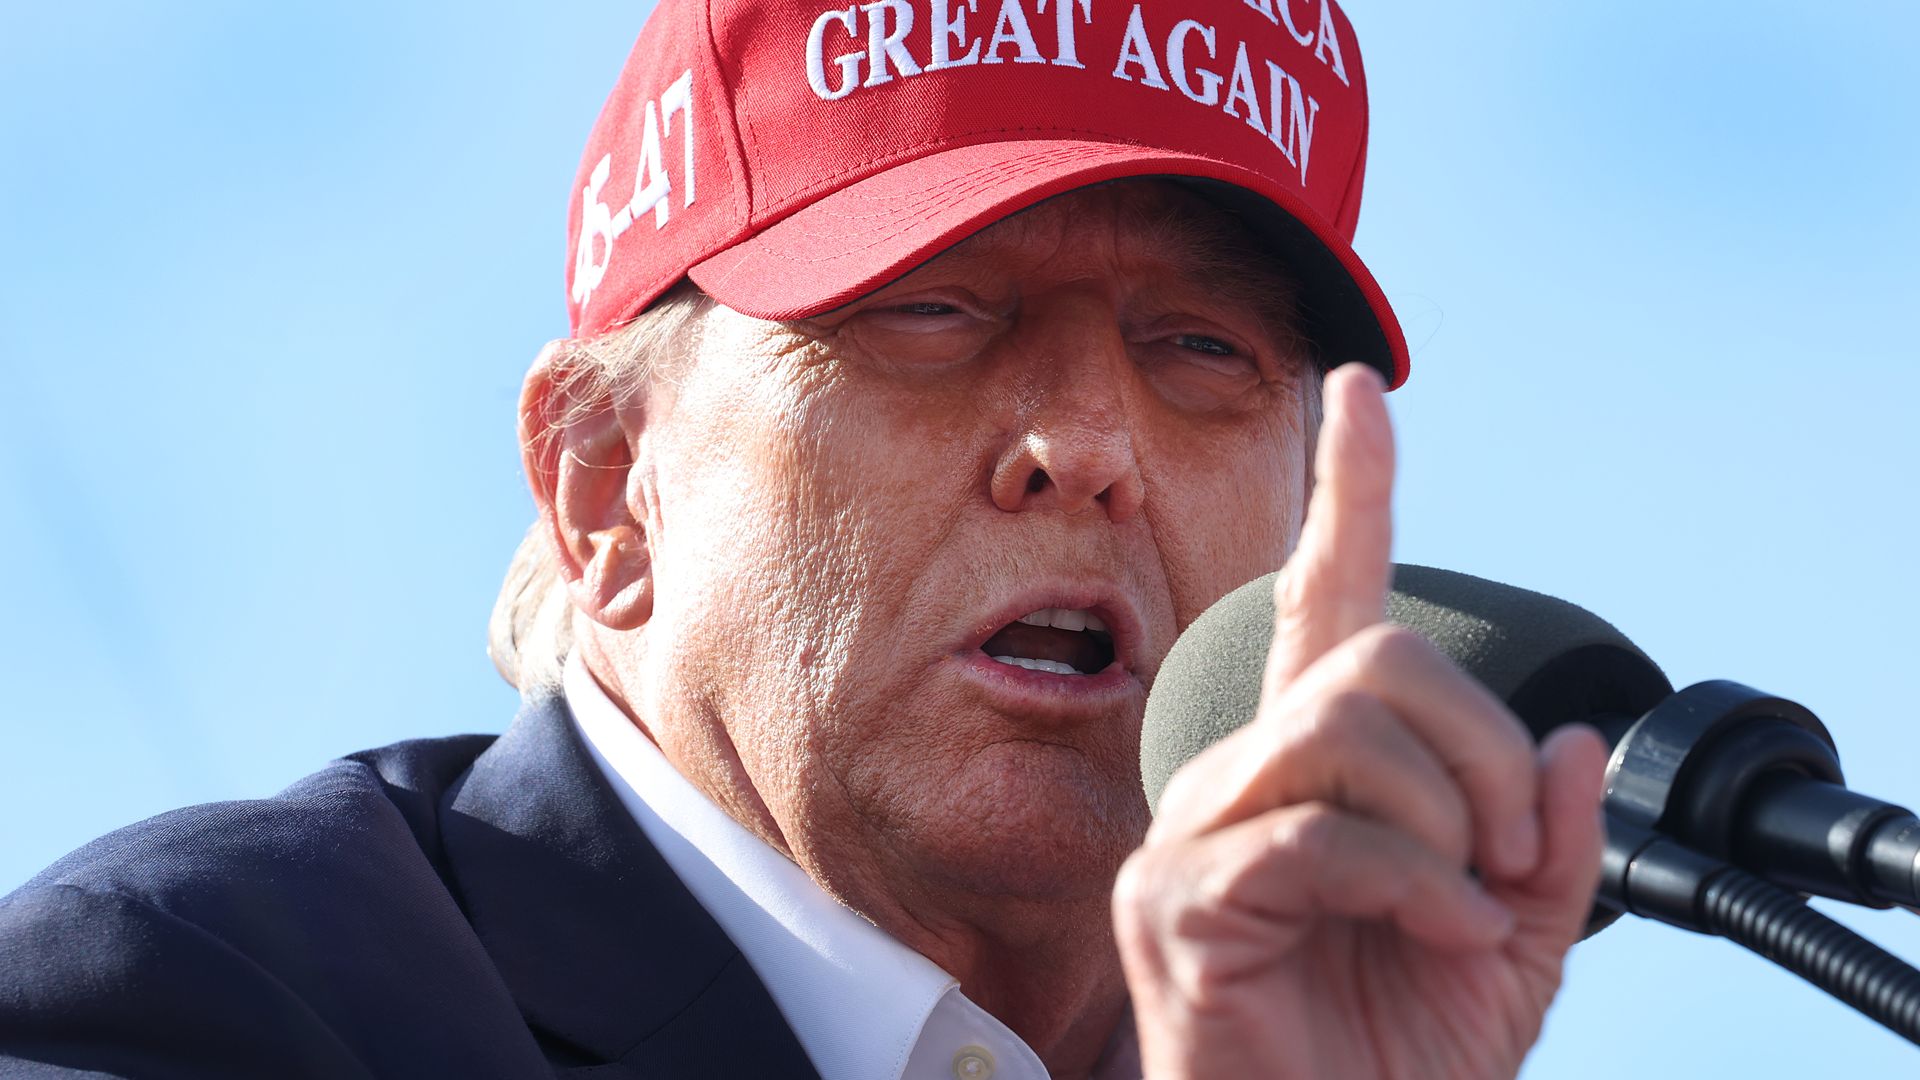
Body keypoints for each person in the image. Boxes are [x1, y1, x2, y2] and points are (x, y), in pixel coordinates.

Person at [0, 0, 1608, 1076]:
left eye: (1202, 349)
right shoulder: (190, 1002)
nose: (1091, 446)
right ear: (605, 486)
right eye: (933, 311)